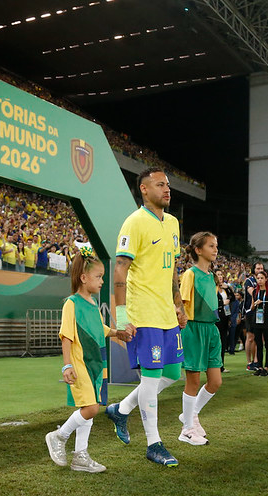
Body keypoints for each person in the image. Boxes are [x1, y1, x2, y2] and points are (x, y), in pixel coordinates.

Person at [104, 166, 187, 467]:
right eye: (160, 185)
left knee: (172, 374)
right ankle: (154, 444)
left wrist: (178, 304)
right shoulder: (134, 222)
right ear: (143, 189)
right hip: (143, 314)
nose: (167, 189)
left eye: (168, 184)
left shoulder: (174, 223)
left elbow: (173, 268)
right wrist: (123, 316)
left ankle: (121, 409)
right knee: (151, 377)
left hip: (166, 312)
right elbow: (120, 270)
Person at [45, 249, 132, 473]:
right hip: (80, 363)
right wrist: (66, 365)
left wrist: (115, 332)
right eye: (99, 277)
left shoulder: (93, 303)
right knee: (91, 408)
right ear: (84, 278)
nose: (102, 281)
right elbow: (66, 335)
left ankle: (80, 456)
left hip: (97, 362)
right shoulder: (71, 303)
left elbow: (97, 329)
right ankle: (59, 436)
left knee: (90, 407)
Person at [177, 232, 222, 446]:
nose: (215, 249)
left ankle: (190, 415)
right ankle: (186, 429)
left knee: (215, 381)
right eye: (211, 246)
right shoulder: (190, 274)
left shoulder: (211, 276)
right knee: (193, 380)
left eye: (216, 246)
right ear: (198, 250)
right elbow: (181, 304)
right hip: (193, 329)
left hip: (211, 330)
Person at [250, 270, 268, 376]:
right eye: (258, 278)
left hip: (267, 320)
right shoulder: (255, 292)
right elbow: (251, 307)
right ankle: (259, 366)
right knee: (258, 344)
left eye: (262, 278)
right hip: (257, 320)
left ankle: (266, 367)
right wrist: (255, 304)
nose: (260, 280)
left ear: (266, 279)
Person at [243, 262, 264, 371]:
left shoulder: (264, 280)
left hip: (260, 311)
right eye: (258, 268)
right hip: (250, 311)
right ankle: (249, 361)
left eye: (261, 268)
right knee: (250, 337)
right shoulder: (249, 281)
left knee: (258, 337)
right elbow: (252, 292)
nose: (260, 269)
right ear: (253, 269)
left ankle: (256, 361)